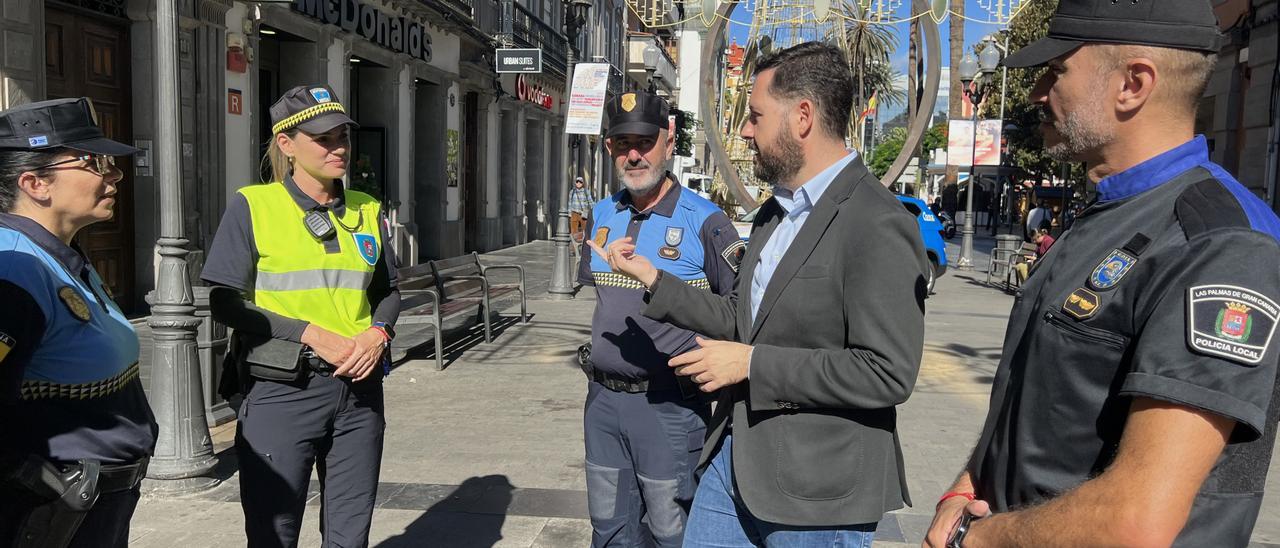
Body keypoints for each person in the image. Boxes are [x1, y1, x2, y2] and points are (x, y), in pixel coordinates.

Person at [923, 1, 1280, 547]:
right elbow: (1034, 400)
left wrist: (978, 539)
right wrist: (966, 485)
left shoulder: (1220, 243)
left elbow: (1137, 520)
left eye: (1057, 70)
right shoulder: (1107, 214)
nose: (1039, 91)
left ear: (1133, 84)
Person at [592, 42, 927, 546]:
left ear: (803, 117)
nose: (745, 131)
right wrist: (654, 280)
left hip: (815, 494)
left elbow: (886, 371)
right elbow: (738, 317)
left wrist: (752, 365)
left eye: (755, 116)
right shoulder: (776, 214)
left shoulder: (877, 222)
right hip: (733, 465)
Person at [202, 84, 400, 547]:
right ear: (287, 145)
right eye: (323, 139)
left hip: (359, 390)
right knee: (274, 532)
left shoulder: (366, 208)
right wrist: (311, 334)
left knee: (351, 532)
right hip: (283, 388)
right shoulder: (253, 205)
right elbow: (224, 301)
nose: (339, 149)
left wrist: (378, 333)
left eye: (343, 137)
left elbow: (388, 291)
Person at [574, 90, 743, 547]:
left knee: (672, 533)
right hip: (603, 405)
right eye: (622, 142)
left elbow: (739, 317)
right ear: (609, 148)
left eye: (645, 142)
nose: (633, 154)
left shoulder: (707, 222)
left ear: (669, 142)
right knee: (608, 529)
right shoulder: (603, 212)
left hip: (669, 409)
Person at [0, 98, 155, 546]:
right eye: (94, 162)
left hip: (92, 505)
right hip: (53, 515)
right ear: (34, 183)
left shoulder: (56, 255)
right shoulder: (14, 272)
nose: (116, 174)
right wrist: (45, 483)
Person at [569, 175, 595, 242]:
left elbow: (590, 201)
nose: (578, 183)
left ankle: (585, 243)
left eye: (580, 182)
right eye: (577, 182)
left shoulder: (586, 191)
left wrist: (594, 210)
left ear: (583, 183)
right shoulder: (572, 192)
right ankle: (574, 245)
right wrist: (569, 212)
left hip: (583, 213)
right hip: (574, 212)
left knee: (585, 229)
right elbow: (569, 202)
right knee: (574, 230)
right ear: (575, 183)